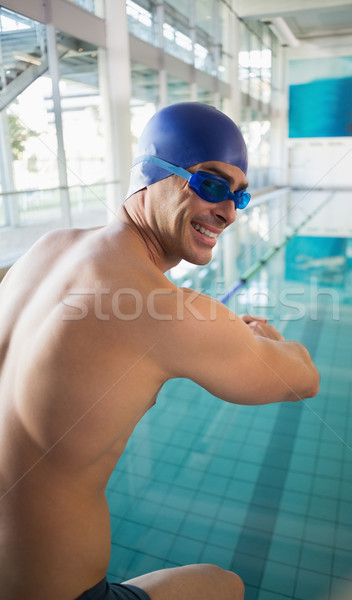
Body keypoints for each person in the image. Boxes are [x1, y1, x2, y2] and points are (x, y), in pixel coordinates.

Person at [0, 102, 319, 600]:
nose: (229, 212)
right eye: (211, 184)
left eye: (240, 195)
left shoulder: (45, 249)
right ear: (151, 177)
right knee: (227, 586)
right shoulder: (164, 310)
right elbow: (303, 378)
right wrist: (273, 340)